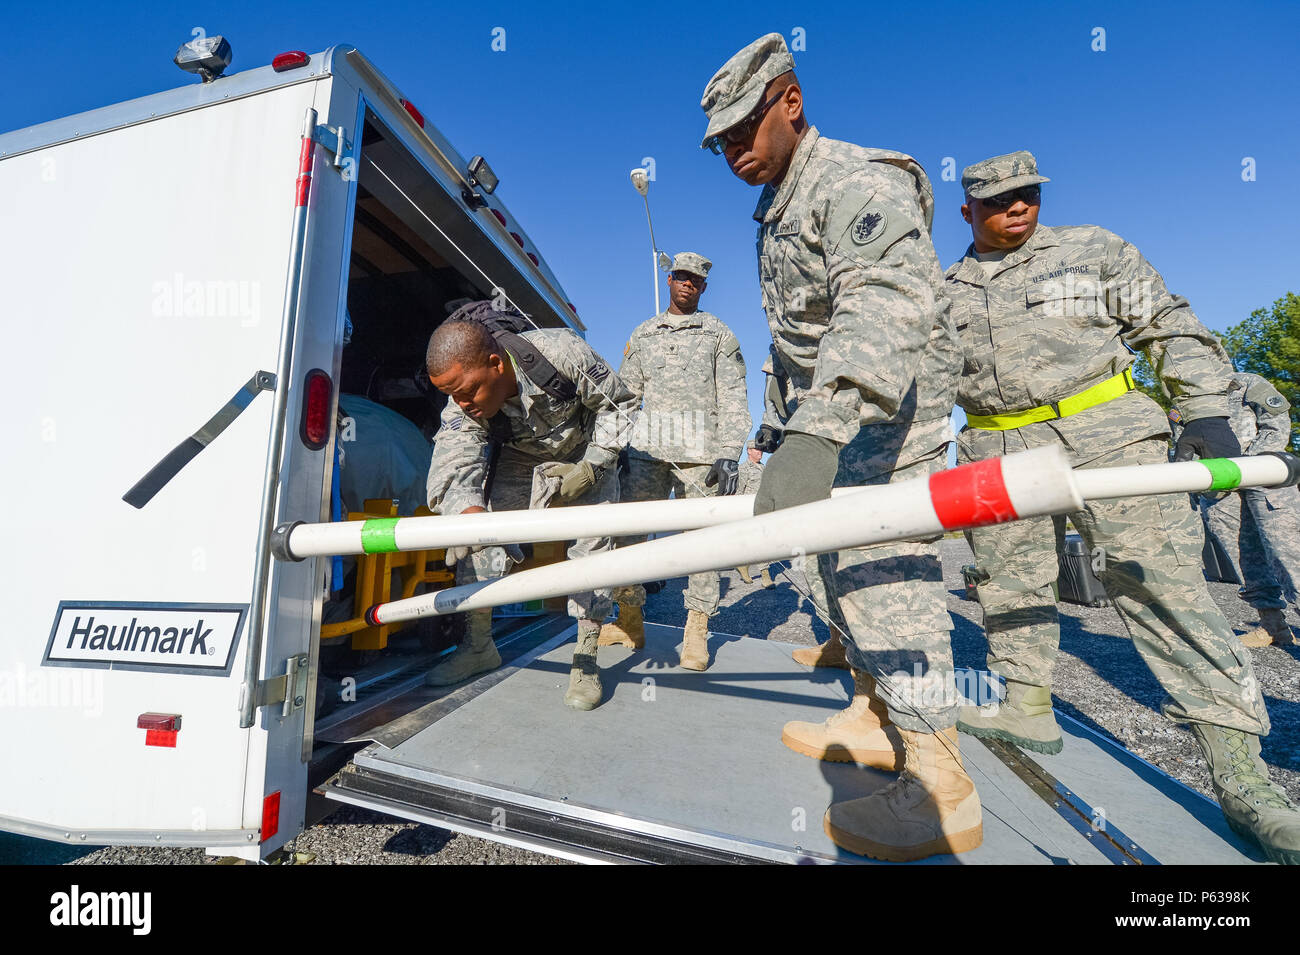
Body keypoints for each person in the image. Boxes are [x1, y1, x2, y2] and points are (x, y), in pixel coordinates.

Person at [946, 151, 1299, 864]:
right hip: (994, 447)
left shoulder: (1091, 250)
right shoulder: (940, 287)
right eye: (998, 200)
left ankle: (1243, 777)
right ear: (967, 211)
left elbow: (1167, 323)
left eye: (1028, 194)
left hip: (1109, 438)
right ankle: (1026, 703)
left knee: (1161, 587)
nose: (1017, 207)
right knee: (1011, 586)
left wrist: (1203, 408)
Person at [699, 33, 973, 861]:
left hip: (885, 418)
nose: (735, 151)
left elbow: (885, 298)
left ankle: (942, 783)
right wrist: (784, 430)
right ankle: (873, 715)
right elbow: (796, 341)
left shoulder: (855, 180)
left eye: (746, 128)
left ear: (791, 100)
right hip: (830, 414)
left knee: (885, 577)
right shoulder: (781, 203)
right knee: (834, 575)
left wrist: (822, 424)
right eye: (722, 144)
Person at [422, 302, 638, 711]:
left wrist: (594, 465)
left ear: (495, 363)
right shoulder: (461, 396)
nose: (462, 403)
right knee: (478, 541)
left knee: (591, 553)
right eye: (452, 396)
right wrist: (466, 512)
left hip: (585, 452)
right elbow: (455, 458)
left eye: (467, 392)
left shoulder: (563, 353)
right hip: (522, 458)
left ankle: (586, 659)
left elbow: (621, 405)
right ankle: (479, 646)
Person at [601, 253, 750, 669]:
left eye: (696, 281)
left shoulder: (717, 333)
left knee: (701, 543)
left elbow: (734, 395)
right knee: (627, 535)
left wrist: (729, 451)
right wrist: (617, 448)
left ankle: (697, 630)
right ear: (669, 280)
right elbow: (624, 396)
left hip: (700, 455)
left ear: (703, 288)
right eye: (681, 277)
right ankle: (629, 620)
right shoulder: (644, 334)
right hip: (646, 452)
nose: (688, 284)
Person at [1182, 375, 1299, 646]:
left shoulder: (1244, 383)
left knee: (1290, 555)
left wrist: (1249, 464)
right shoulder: (1186, 398)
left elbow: (1276, 421)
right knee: (1246, 561)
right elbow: (1185, 443)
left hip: (1264, 478)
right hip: (1221, 487)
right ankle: (1272, 626)